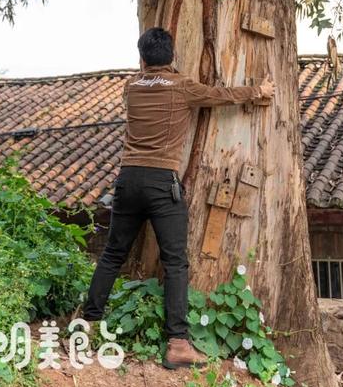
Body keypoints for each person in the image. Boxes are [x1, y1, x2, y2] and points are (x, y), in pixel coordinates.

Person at [83, 26, 275, 369]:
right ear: (172, 57)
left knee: (113, 253)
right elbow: (221, 94)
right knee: (175, 262)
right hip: (161, 182)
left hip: (127, 179)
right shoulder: (183, 86)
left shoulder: (131, 87)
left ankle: (87, 322)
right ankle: (178, 344)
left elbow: (148, 81)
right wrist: (258, 90)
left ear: (142, 58)